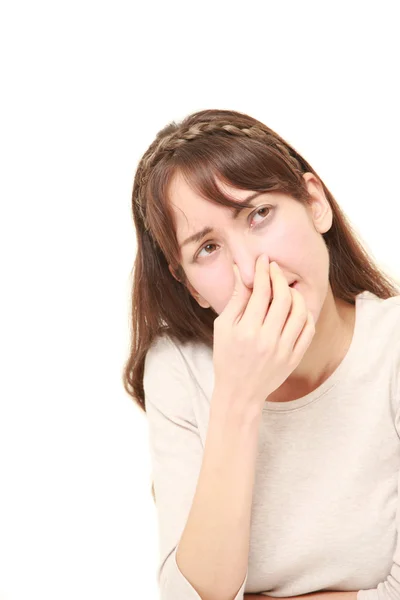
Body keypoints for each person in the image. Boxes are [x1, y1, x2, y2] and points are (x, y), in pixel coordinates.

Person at [122, 108, 400, 600]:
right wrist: (238, 399)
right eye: (207, 248)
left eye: (258, 214)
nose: (250, 271)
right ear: (190, 286)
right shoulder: (178, 369)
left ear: (314, 203)